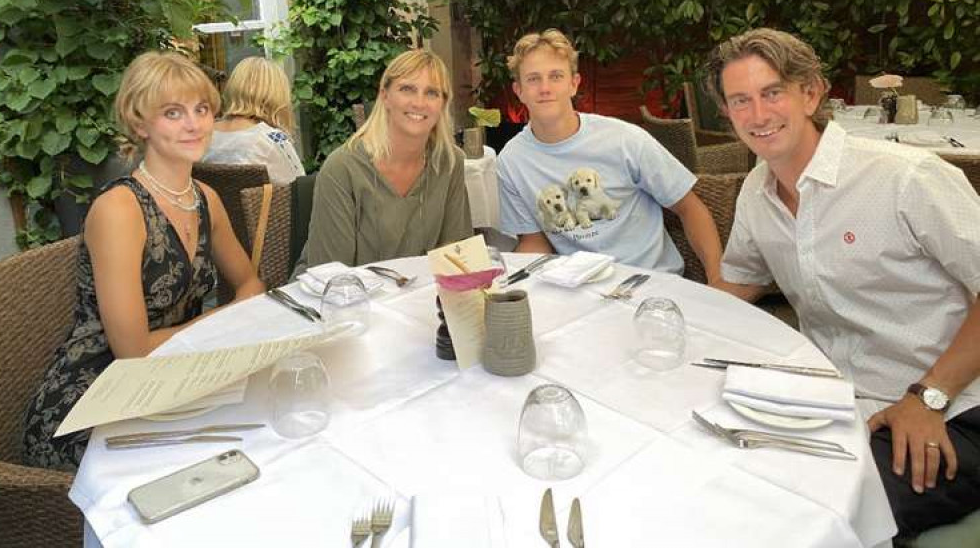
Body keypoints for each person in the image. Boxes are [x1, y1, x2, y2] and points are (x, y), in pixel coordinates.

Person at [706, 28, 980, 538]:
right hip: (835, 401)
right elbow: (741, 283)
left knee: (810, 519)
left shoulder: (905, 178)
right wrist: (664, 313)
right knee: (723, 480)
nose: (758, 115)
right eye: (741, 100)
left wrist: (929, 398)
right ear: (727, 112)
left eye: (772, 93)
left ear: (811, 92)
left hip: (954, 406)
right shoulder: (756, 191)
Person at [22, 51, 264, 470]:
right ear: (140, 124)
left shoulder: (205, 199)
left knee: (259, 431)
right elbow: (132, 351)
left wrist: (224, 321)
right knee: (216, 461)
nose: (194, 124)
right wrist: (224, 322)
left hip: (171, 379)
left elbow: (251, 285)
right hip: (94, 400)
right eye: (173, 113)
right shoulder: (120, 209)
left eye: (202, 109)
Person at [496, 29, 723, 279]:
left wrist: (718, 280)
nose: (545, 88)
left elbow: (690, 208)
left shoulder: (624, 140)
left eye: (556, 76)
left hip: (649, 280)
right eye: (533, 79)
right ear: (519, 91)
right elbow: (534, 243)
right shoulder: (511, 161)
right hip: (576, 289)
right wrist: (508, 282)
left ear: (574, 84)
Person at [292, 49, 472, 272]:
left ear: (443, 104)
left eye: (432, 93)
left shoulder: (449, 162)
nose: (419, 102)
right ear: (385, 95)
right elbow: (332, 277)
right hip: (335, 297)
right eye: (407, 89)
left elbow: (457, 258)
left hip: (415, 298)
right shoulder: (341, 169)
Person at [202, 56, 305, 185]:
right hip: (263, 205)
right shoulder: (271, 139)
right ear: (277, 96)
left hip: (210, 204)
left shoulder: (203, 135)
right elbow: (300, 186)